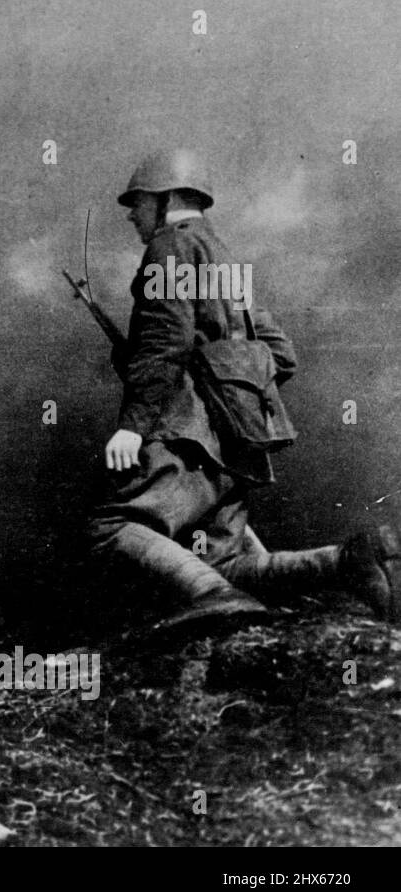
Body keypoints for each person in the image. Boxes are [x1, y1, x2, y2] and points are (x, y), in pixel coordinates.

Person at [86, 150, 401, 641]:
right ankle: (348, 561)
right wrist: (230, 392)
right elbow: (280, 352)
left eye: (139, 202)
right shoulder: (224, 257)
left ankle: (212, 599)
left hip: (182, 434)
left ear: (167, 200)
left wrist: (133, 424)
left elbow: (163, 343)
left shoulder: (169, 247)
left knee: (109, 530)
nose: (131, 213)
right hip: (235, 444)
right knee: (223, 560)